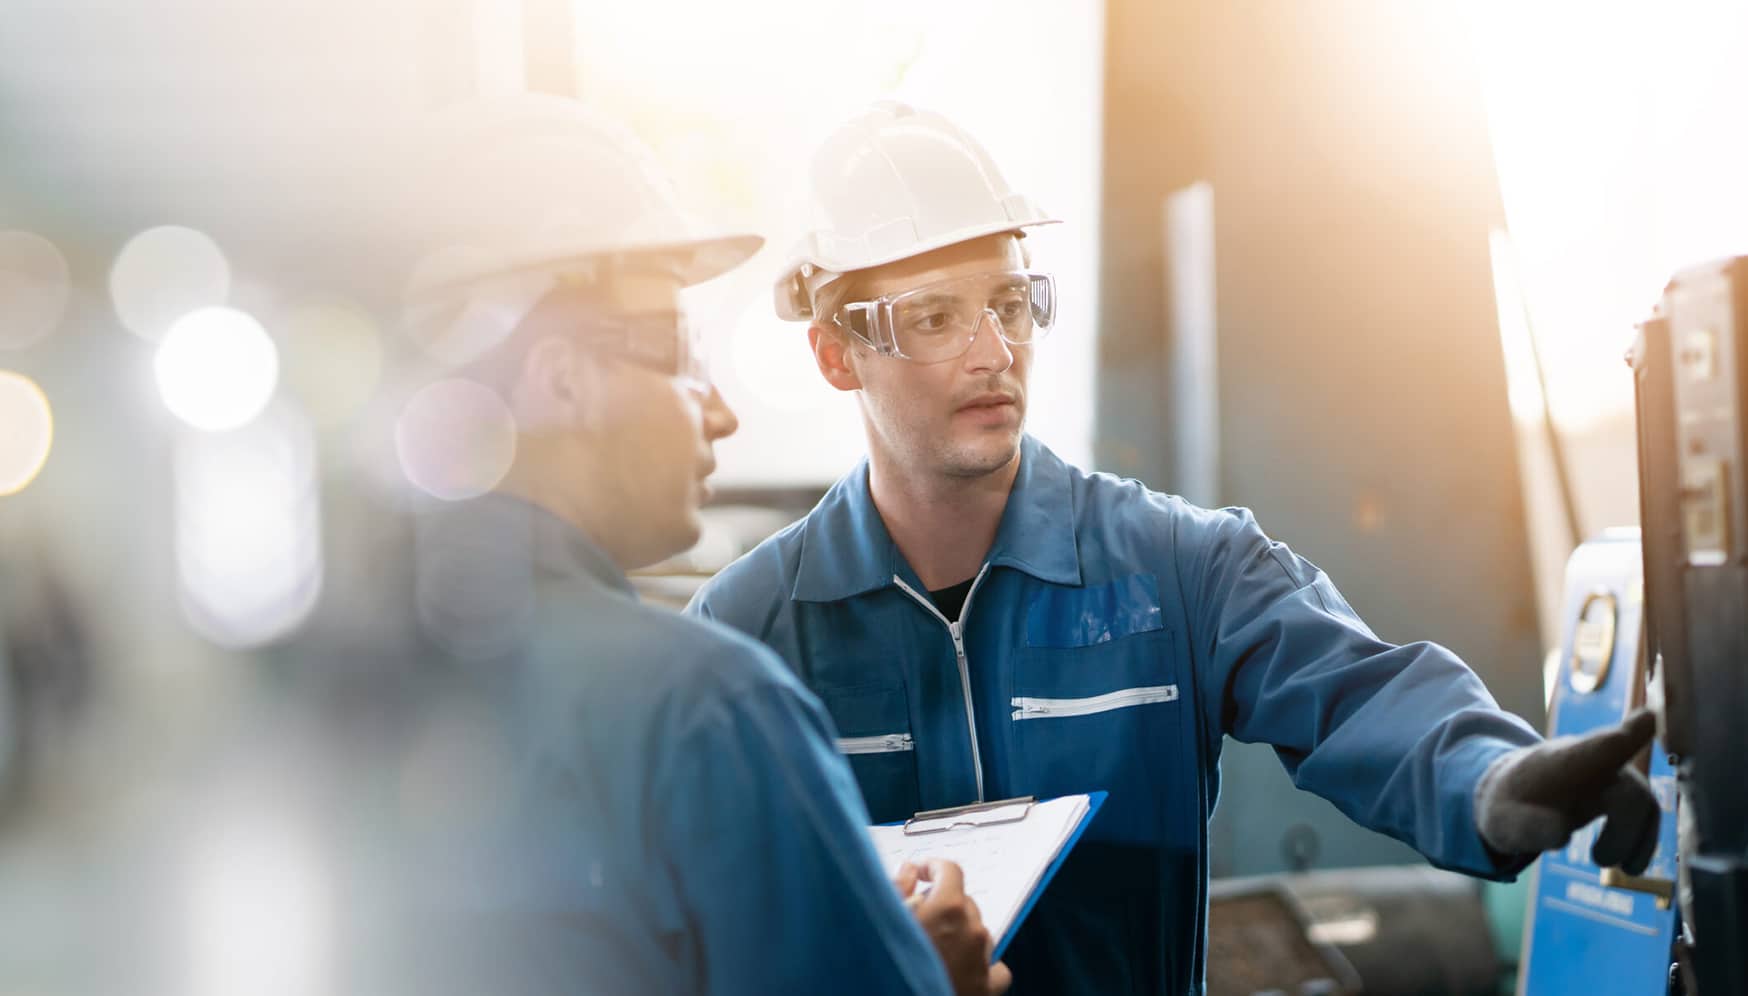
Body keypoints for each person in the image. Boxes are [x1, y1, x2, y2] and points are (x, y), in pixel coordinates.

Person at [686, 101, 1661, 994]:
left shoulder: (1175, 569)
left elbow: (1360, 691)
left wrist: (1488, 782)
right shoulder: (747, 634)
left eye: (1011, 302)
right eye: (934, 317)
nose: (991, 351)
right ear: (833, 352)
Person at [363, 94, 1009, 996]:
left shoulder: (329, 690)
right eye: (679, 353)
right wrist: (927, 982)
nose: (720, 410)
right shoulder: (709, 708)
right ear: (564, 380)